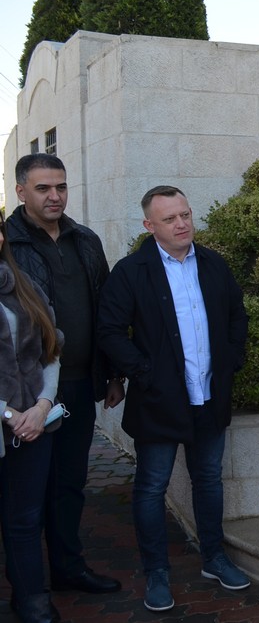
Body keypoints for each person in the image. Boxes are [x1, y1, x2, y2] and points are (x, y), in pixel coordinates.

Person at [97, 185, 250, 611]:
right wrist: (146, 374)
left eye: (185, 214)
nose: (182, 224)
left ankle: (214, 558)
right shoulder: (131, 271)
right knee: (151, 487)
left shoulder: (213, 263)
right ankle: (157, 573)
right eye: (170, 219)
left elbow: (236, 314)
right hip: (158, 401)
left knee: (209, 480)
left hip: (209, 395)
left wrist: (231, 359)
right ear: (150, 225)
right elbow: (110, 331)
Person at [6, 153, 124, 595]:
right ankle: (27, 586)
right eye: (43, 188)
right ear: (21, 192)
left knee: (70, 484)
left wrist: (113, 374)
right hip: (25, 394)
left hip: (76, 384)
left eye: (61, 187)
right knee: (25, 496)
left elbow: (107, 311)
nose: (54, 196)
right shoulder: (9, 244)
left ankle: (68, 568)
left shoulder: (85, 239)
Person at [0, 210, 63, 623]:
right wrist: (8, 413)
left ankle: (30, 598)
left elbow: (51, 350)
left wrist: (41, 406)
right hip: (10, 420)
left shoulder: (23, 285)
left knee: (25, 518)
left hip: (33, 425)